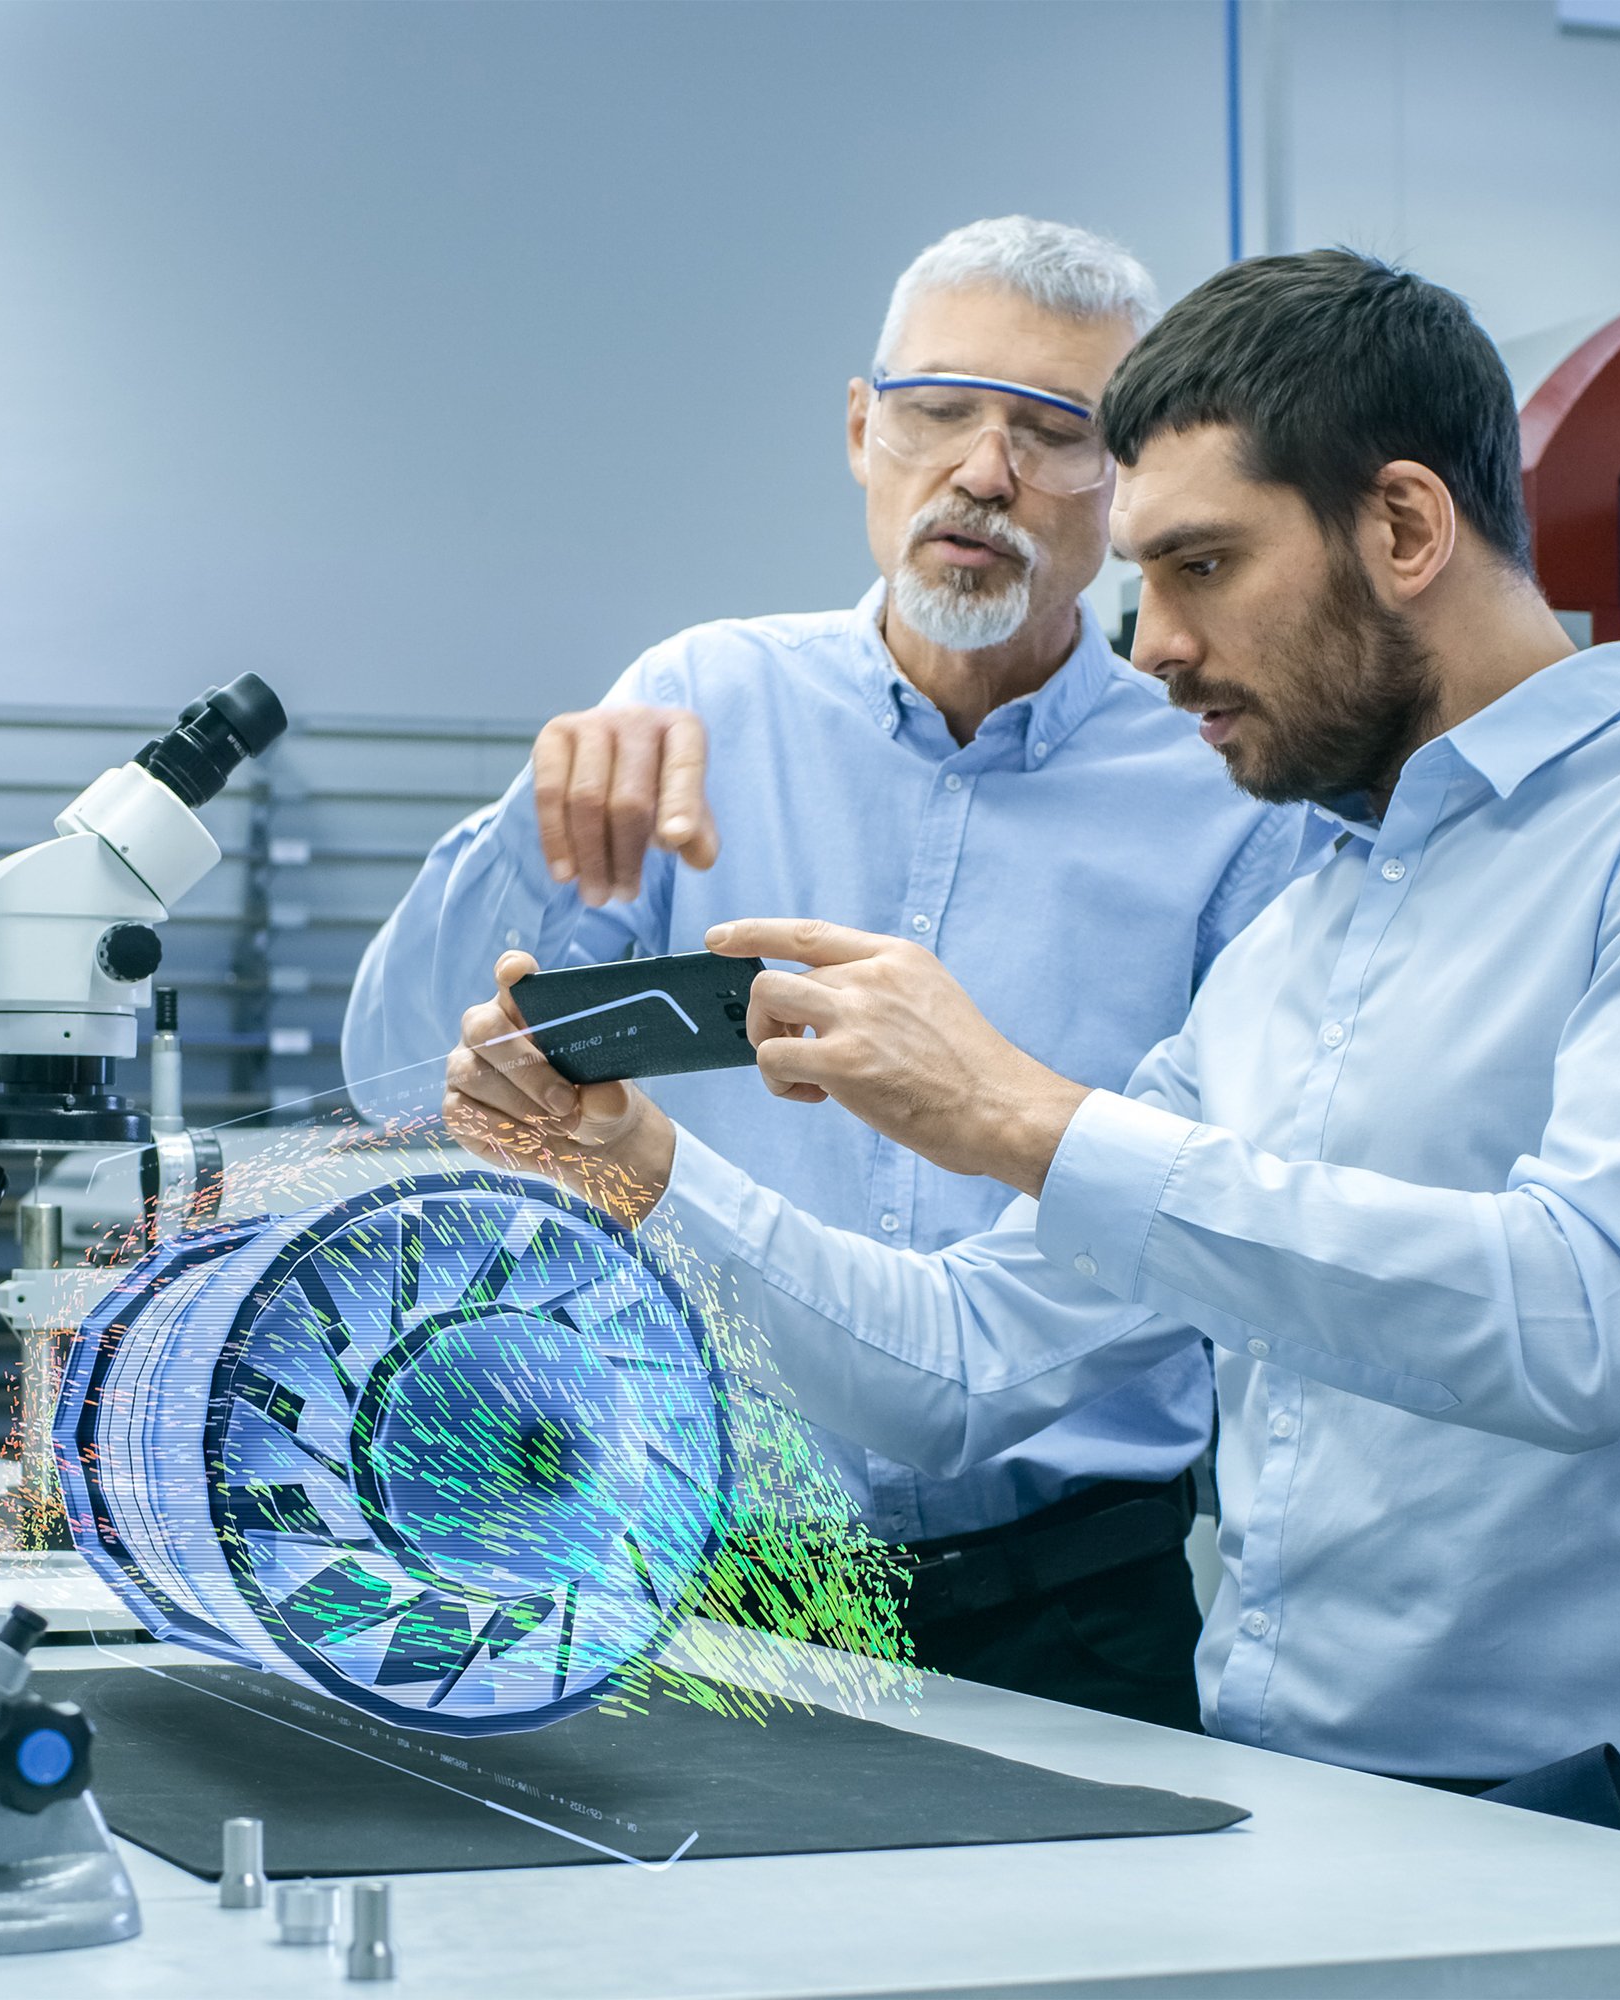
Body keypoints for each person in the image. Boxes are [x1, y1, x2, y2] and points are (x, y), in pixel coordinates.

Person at [442, 249, 1620, 1868]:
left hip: (1604, 1819)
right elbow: (957, 1369)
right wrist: (645, 1172)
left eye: (1204, 566)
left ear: (1408, 528)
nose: (1149, 648)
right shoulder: (1304, 931)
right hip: (1278, 1809)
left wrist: (1024, 1117)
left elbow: (1588, 1324)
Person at [345, 219, 1303, 1732]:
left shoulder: (1225, 790)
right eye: (938, 412)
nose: (982, 472)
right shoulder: (695, 704)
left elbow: (1220, 1199)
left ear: (1127, 491)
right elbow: (402, 1078)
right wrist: (527, 839)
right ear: (864, 431)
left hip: (1075, 1597)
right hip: (701, 1568)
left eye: (1056, 432)